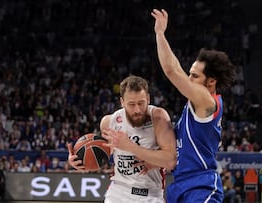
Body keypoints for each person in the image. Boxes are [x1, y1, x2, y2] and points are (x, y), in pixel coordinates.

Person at [151, 9, 236, 202]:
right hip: (180, 185)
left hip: (201, 186)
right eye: (190, 73)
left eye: (195, 76)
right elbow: (177, 68)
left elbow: (172, 70)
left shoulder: (207, 101)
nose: (189, 79)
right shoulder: (194, 106)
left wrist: (160, 34)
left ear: (211, 81)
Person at [68, 75, 176, 203]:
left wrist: (130, 146)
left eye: (141, 103)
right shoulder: (109, 122)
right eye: (131, 104)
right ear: (122, 102)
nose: (137, 109)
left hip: (150, 194)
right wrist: (82, 162)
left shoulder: (158, 117)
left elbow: (171, 161)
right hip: (118, 192)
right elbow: (103, 157)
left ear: (148, 98)